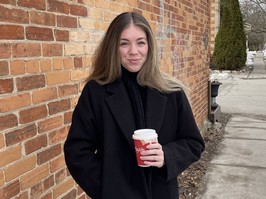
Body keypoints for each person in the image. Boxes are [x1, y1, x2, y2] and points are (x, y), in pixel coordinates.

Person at [64, 12, 205, 199]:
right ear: (113, 47)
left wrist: (167, 156)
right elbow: (77, 152)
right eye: (124, 43)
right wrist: (108, 188)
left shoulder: (171, 91)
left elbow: (193, 142)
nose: (133, 51)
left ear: (149, 46)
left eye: (140, 42)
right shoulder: (96, 92)